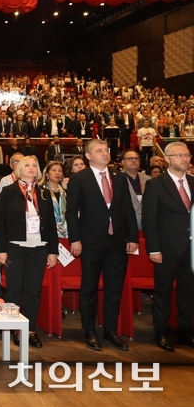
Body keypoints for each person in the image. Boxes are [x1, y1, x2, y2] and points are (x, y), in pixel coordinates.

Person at [66, 139, 138, 352]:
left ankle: (110, 330)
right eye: (99, 151)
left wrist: (132, 237)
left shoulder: (120, 177)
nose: (105, 153)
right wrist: (75, 239)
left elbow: (128, 209)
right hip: (91, 241)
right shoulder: (79, 179)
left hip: (117, 241)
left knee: (114, 289)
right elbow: (71, 212)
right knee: (89, 288)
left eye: (106, 150)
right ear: (88, 156)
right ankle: (89, 331)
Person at [0, 156, 58, 349]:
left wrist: (53, 251)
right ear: (20, 169)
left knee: (33, 291)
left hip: (39, 248)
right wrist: (2, 250)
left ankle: (30, 330)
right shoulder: (8, 191)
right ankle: (15, 328)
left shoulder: (45, 194)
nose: (31, 168)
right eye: (27, 165)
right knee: (14, 290)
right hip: (15, 247)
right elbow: (0, 223)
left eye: (35, 165)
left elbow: (50, 224)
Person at [142, 142, 194, 352]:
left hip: (191, 249)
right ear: (168, 159)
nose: (185, 159)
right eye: (180, 155)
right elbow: (149, 219)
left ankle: (184, 330)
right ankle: (161, 331)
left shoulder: (192, 182)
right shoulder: (156, 185)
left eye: (187, 155)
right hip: (166, 248)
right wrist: (153, 249)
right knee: (162, 292)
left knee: (188, 291)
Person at [121, 150, 150, 230]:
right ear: (122, 162)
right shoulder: (117, 179)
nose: (134, 161)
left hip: (146, 224)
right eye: (130, 158)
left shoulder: (148, 179)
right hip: (125, 225)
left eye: (136, 159)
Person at [40, 161, 68, 238]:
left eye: (60, 171)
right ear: (47, 174)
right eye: (54, 170)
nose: (57, 173)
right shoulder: (41, 191)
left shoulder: (66, 192)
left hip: (66, 231)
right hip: (47, 230)